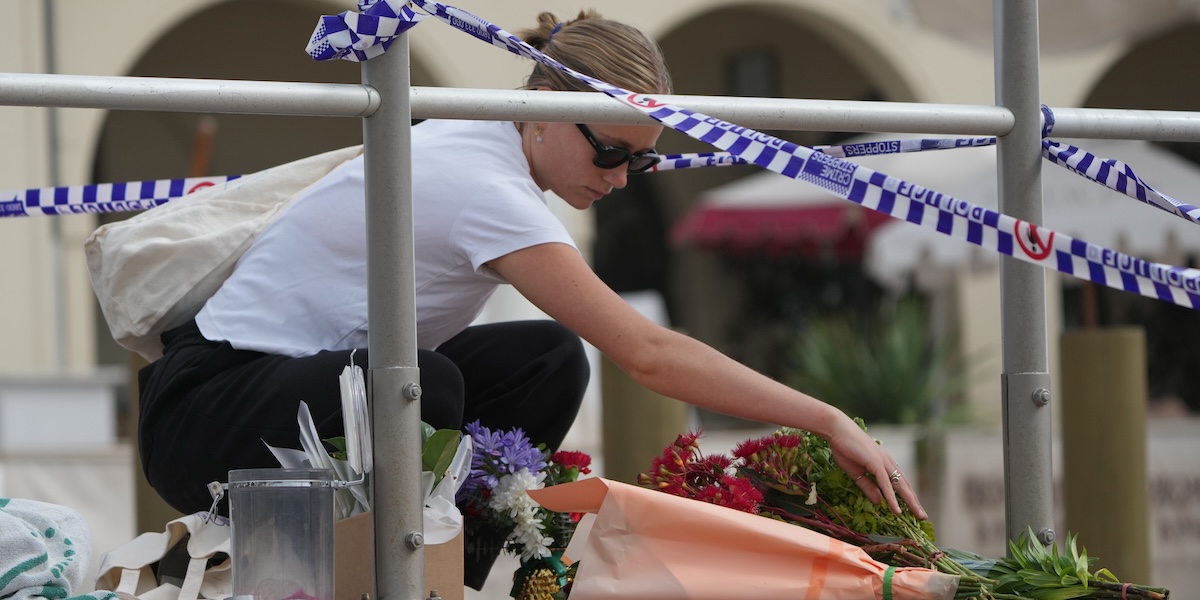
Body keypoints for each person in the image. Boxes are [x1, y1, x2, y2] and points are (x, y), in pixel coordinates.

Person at [136, 9, 926, 590]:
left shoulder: (487, 143)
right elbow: (648, 353)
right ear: (546, 106)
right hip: (203, 414)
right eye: (610, 151)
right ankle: (429, 562)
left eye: (640, 165)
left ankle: (477, 548)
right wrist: (823, 415)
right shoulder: (488, 186)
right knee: (421, 385)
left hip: (275, 391)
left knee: (547, 357)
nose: (619, 179)